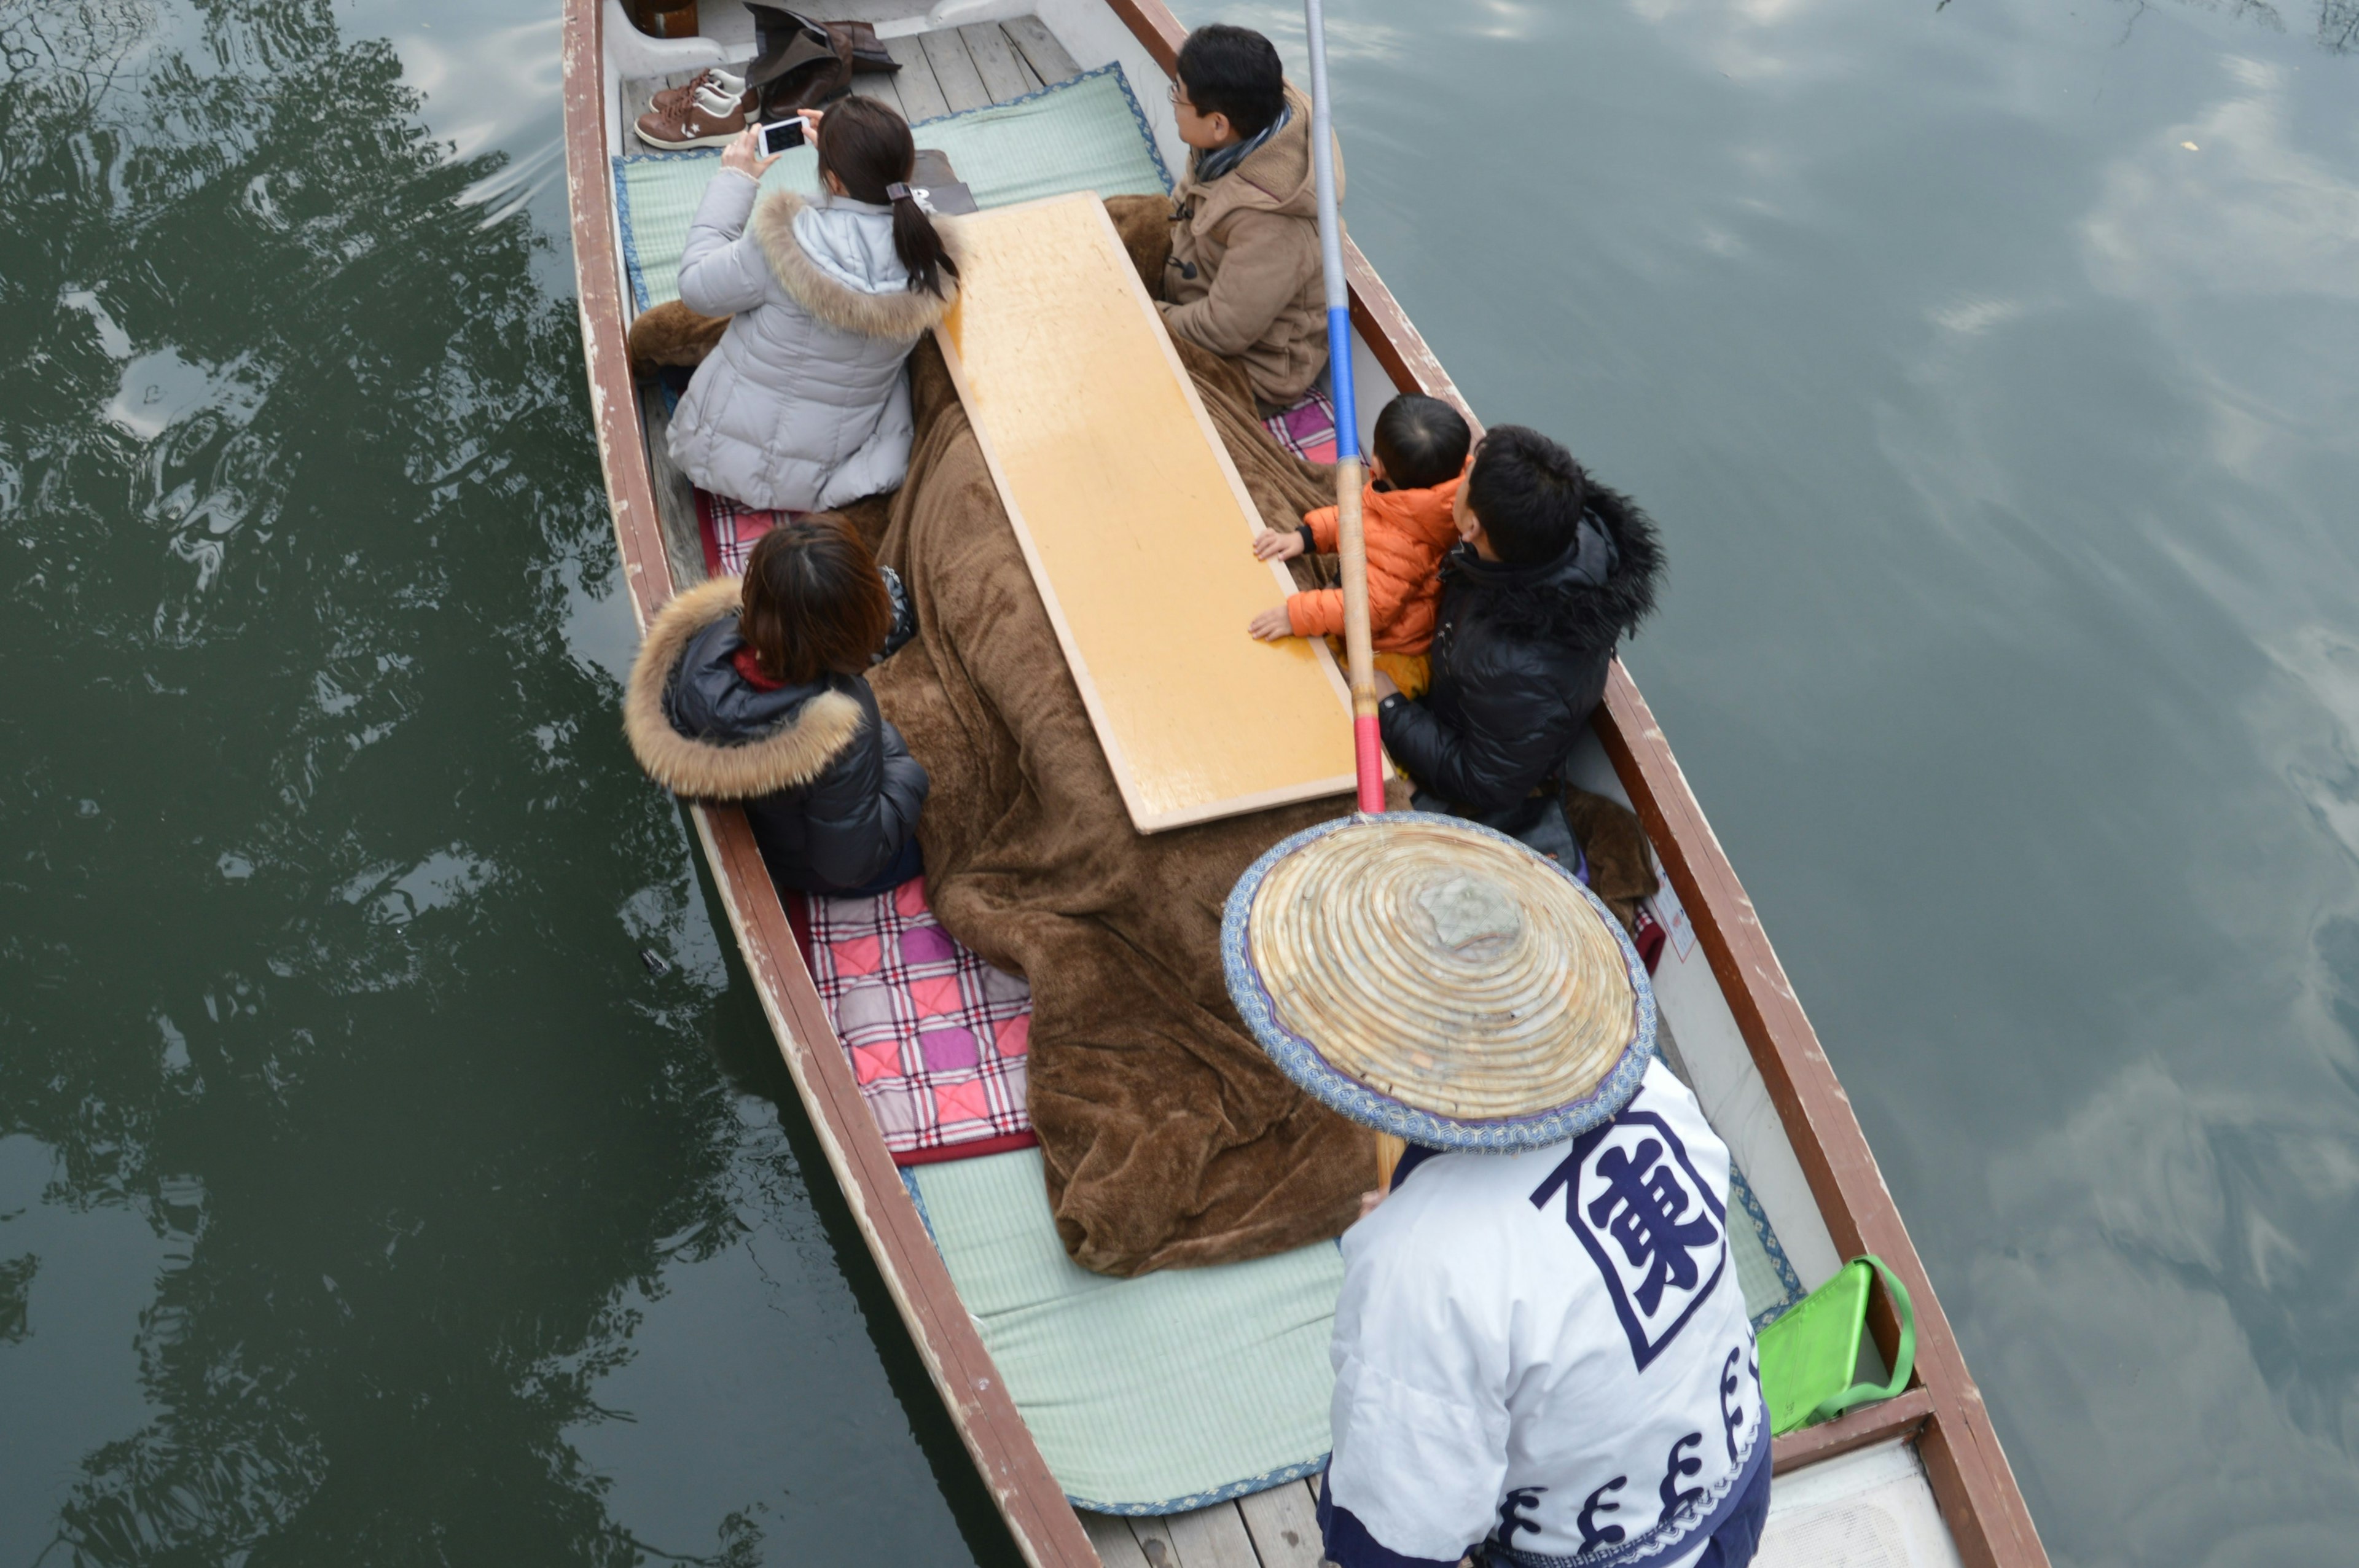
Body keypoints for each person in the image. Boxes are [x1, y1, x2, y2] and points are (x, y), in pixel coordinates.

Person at [1376, 426, 1664, 857]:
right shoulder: (1557, 530)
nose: (1462, 473)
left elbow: (1485, 780)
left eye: (1468, 475)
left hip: (1475, 761)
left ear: (1472, 527)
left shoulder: (1519, 665)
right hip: (1473, 692)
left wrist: (1391, 706)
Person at [665, 96, 961, 513]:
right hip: (824, 481)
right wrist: (851, 157)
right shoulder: (929, 259)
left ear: (834, 181)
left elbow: (695, 287)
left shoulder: (784, 242)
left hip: (713, 457)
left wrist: (735, 180)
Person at [624, 516, 928, 898]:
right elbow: (849, 865)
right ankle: (872, 629)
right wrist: (906, 774)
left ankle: (843, 616)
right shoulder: (844, 728)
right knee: (923, 847)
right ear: (843, 644)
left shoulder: (704, 642)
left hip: (774, 821)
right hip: (803, 865)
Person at [1156, 23, 1337, 408]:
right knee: (1120, 219)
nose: (1173, 102)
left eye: (1178, 95)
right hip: (1196, 284)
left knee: (1129, 371)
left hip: (1251, 366)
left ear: (1218, 123)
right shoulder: (1236, 128)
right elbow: (1182, 201)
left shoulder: (1273, 221)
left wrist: (1147, 316)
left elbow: (1222, 330)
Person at [1245, 394, 1469, 695]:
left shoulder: (1407, 543)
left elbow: (1371, 609)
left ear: (1378, 463)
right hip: (1375, 607)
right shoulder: (1429, 493)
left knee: (1318, 688)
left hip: (1392, 653)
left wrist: (1296, 615)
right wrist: (1305, 537)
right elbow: (1360, 517)